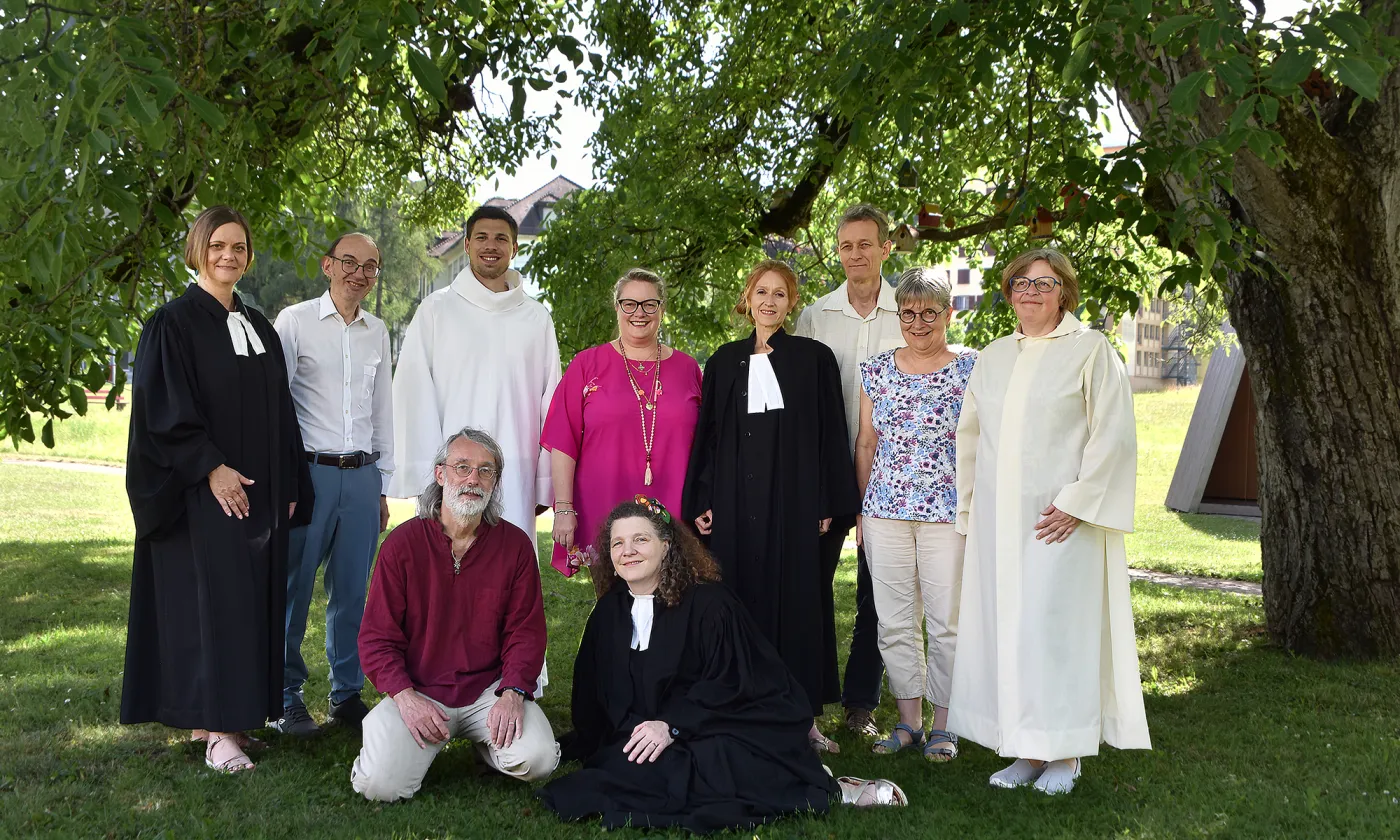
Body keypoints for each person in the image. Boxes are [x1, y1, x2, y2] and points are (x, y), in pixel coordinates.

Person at [538, 498, 906, 833]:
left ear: (667, 546)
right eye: (618, 543)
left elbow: (735, 682)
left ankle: (831, 787)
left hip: (714, 723)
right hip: (640, 739)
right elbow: (592, 693)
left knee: (710, 763)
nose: (628, 551)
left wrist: (673, 725)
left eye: (641, 540)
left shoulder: (709, 605)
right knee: (624, 771)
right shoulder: (608, 613)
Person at [948, 248, 1151, 795]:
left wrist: (1078, 503)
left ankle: (1065, 755)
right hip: (1000, 523)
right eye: (1021, 282)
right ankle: (1025, 749)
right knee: (1011, 632)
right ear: (1009, 291)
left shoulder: (1089, 350)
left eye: (1045, 282)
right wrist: (970, 509)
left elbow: (1114, 434)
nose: (1031, 292)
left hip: (1060, 521)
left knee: (1057, 632)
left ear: (1065, 290)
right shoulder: (993, 355)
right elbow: (970, 437)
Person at [121, 205, 314, 774]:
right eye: (217, 246)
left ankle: (232, 719)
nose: (228, 255)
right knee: (217, 604)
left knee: (251, 601)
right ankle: (217, 734)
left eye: (238, 246)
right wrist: (211, 468)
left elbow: (282, 408)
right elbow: (165, 409)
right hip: (207, 493)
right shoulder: (172, 324)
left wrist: (291, 479)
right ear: (198, 250)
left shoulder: (257, 326)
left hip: (260, 493)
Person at [682, 259, 859, 754]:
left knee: (799, 605)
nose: (769, 301)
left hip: (794, 502)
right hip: (736, 504)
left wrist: (827, 499)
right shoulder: (723, 360)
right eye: (761, 291)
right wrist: (703, 498)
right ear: (747, 297)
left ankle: (804, 719)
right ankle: (740, 712)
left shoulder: (813, 358)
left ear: (791, 303)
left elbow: (829, 435)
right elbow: (710, 438)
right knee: (740, 604)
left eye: (779, 294)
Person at [352, 427, 558, 801]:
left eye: (485, 470)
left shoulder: (515, 546)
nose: (472, 479)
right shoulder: (402, 546)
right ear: (440, 474)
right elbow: (377, 638)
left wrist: (512, 694)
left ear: (495, 483)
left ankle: (485, 745)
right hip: (420, 691)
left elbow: (525, 632)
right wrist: (404, 697)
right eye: (461, 467)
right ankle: (390, 740)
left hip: (488, 692)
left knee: (539, 759)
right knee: (379, 786)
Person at [271, 232, 394, 736]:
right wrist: (283, 480)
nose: (358, 273)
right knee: (292, 588)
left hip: (362, 478)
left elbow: (382, 408)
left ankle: (346, 694)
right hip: (308, 475)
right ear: (327, 265)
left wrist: (382, 486)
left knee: (353, 592)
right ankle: (282, 694)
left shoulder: (378, 331)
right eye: (349, 262)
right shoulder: (294, 322)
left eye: (370, 266)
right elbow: (273, 406)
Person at [854, 268, 976, 762]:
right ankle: (909, 723)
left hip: (947, 512)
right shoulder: (876, 369)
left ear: (949, 314)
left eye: (930, 312)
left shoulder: (972, 368)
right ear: (898, 315)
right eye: (909, 313)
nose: (919, 322)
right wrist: (864, 510)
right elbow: (866, 443)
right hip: (884, 512)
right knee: (894, 619)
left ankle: (946, 725)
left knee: (946, 620)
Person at [794, 203, 904, 739]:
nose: (856, 254)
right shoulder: (816, 316)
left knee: (877, 588)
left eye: (866, 244)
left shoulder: (907, 311)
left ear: (886, 248)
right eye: (846, 246)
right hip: (823, 467)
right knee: (809, 584)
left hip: (891, 468)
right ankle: (807, 701)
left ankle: (862, 702)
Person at [389, 206, 561, 533]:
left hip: (516, 469)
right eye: (481, 237)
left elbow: (551, 404)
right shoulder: (436, 310)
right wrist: (427, 471)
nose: (491, 246)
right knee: (446, 563)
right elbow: (412, 394)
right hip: (451, 469)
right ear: (467, 245)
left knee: (509, 564)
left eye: (501, 239)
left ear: (515, 248)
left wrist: (543, 481)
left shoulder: (537, 318)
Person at [541, 268, 703, 593]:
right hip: (604, 510)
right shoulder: (587, 365)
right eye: (629, 304)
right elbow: (563, 442)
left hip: (675, 512)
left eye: (649, 304)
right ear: (617, 307)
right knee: (614, 608)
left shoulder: (687, 369)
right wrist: (564, 509)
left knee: (675, 603)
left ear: (662, 309)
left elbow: (709, 444)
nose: (638, 313)